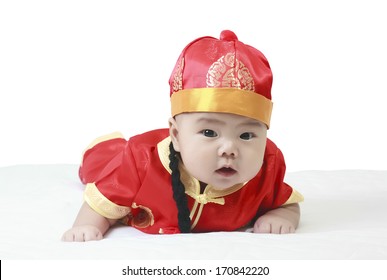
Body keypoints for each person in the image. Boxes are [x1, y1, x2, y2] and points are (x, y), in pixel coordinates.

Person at [62, 30, 304, 242]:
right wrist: (87, 225)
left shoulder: (268, 166)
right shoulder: (140, 163)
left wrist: (282, 215)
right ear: (176, 135)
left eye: (247, 135)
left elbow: (287, 203)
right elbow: (101, 204)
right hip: (121, 157)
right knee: (102, 164)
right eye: (209, 132)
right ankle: (102, 147)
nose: (229, 148)